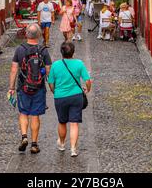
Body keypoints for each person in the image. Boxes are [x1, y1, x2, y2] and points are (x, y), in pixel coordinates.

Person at [8, 24, 52, 153]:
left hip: (23, 87)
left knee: (23, 113)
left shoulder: (19, 50)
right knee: (35, 115)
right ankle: (34, 144)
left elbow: (13, 69)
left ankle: (24, 137)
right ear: (39, 35)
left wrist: (11, 87)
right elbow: (49, 71)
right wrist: (51, 86)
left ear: (26, 34)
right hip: (39, 87)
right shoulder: (43, 50)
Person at [48, 41, 92, 157]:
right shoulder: (79, 64)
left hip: (60, 97)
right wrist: (88, 89)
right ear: (73, 52)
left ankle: (62, 144)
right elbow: (87, 80)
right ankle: (73, 149)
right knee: (74, 123)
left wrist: (54, 91)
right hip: (76, 96)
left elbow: (51, 82)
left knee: (62, 122)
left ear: (61, 52)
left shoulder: (56, 65)